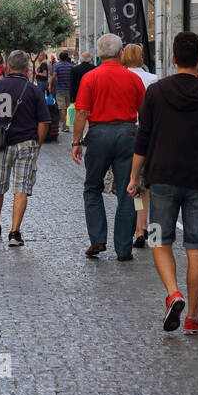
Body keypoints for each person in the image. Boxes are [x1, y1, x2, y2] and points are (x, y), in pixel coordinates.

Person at [127, 31, 198, 334]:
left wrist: (135, 177)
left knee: (159, 239)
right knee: (196, 247)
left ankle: (173, 293)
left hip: (161, 179)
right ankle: (193, 317)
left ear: (173, 58)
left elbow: (143, 139)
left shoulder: (156, 93)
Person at [71, 35, 146, 260]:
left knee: (92, 187)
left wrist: (76, 141)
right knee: (129, 190)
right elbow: (146, 113)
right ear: (120, 53)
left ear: (99, 54)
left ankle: (98, 239)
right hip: (127, 134)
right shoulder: (133, 78)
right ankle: (123, 248)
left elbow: (82, 112)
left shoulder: (90, 77)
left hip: (99, 134)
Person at [0, 50, 50, 247]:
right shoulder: (33, 89)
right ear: (27, 69)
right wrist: (38, 143)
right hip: (26, 142)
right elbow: (44, 122)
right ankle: (15, 232)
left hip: (0, 143)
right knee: (21, 187)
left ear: (8, 67)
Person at [121, 43, 160, 249]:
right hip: (147, 134)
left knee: (132, 182)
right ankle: (142, 227)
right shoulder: (153, 79)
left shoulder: (120, 77)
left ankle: (137, 229)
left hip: (125, 132)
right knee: (145, 186)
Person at [48, 51, 74, 136]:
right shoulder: (71, 66)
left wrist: (50, 87)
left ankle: (65, 125)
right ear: (67, 57)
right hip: (69, 89)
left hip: (60, 89)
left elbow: (54, 76)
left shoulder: (57, 65)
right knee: (66, 106)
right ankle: (67, 123)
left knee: (62, 107)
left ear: (59, 57)